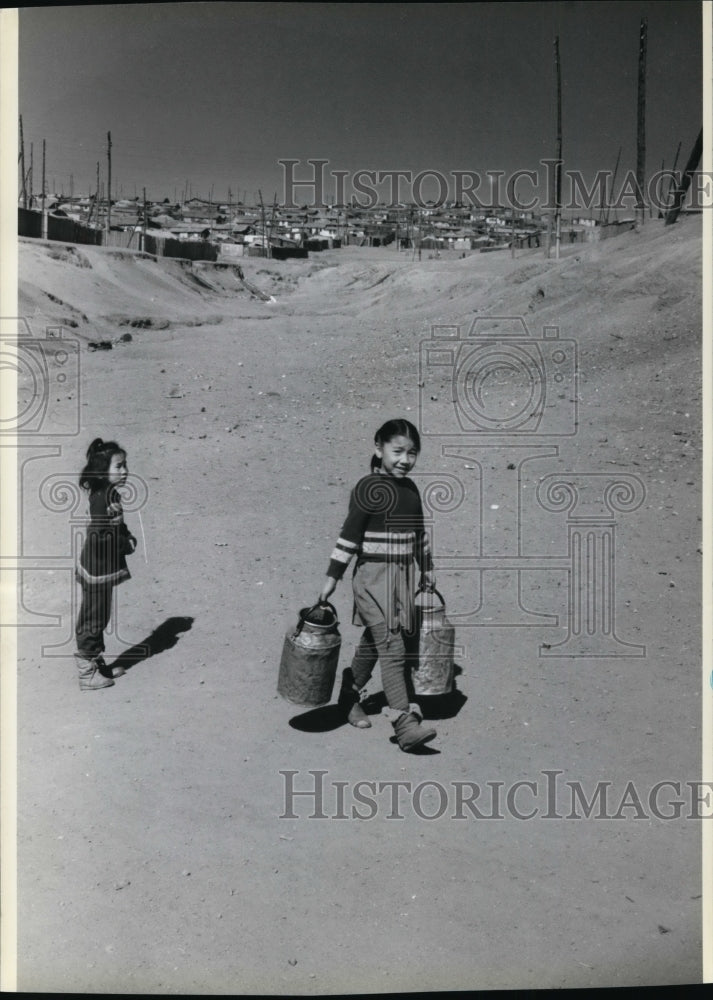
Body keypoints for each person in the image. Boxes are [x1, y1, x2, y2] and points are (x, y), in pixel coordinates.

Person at [319, 418, 438, 751]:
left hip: (401, 580)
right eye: (397, 451)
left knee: (378, 639)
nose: (405, 460)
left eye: (412, 453)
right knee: (393, 645)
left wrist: (427, 569)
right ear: (379, 448)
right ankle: (403, 722)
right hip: (372, 580)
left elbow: (419, 537)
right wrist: (332, 579)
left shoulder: (411, 490)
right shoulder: (367, 489)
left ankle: (348, 693)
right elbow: (348, 538)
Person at [74, 438, 137, 691]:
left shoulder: (110, 493)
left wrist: (126, 533)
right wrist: (123, 544)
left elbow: (117, 524)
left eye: (125, 466)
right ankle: (86, 673)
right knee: (93, 617)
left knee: (100, 615)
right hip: (98, 567)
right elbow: (101, 535)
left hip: (104, 567)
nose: (124, 471)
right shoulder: (101, 498)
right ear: (103, 471)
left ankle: (97, 663)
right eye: (118, 467)